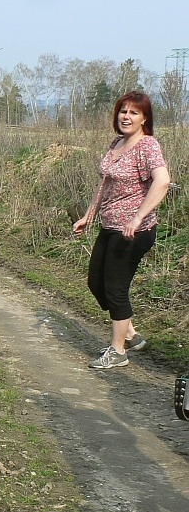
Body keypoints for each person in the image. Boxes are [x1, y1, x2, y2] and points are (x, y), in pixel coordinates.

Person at [73, 91, 171, 369]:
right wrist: (88, 216)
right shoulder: (117, 143)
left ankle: (118, 351)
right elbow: (105, 184)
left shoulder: (147, 146)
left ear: (144, 119)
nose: (126, 117)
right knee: (96, 284)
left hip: (133, 232)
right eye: (123, 111)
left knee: (115, 289)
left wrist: (138, 218)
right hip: (109, 226)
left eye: (133, 113)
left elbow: (162, 182)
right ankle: (130, 334)